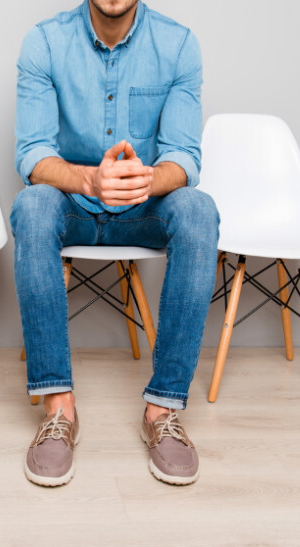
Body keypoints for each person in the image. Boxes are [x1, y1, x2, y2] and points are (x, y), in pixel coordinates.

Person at [11, 0, 219, 487]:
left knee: (198, 209)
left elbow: (185, 156)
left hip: (141, 209)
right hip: (74, 207)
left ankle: (162, 411)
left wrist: (139, 181)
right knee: (32, 204)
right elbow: (32, 151)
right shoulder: (43, 42)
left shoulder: (179, 45)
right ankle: (58, 409)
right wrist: (89, 180)